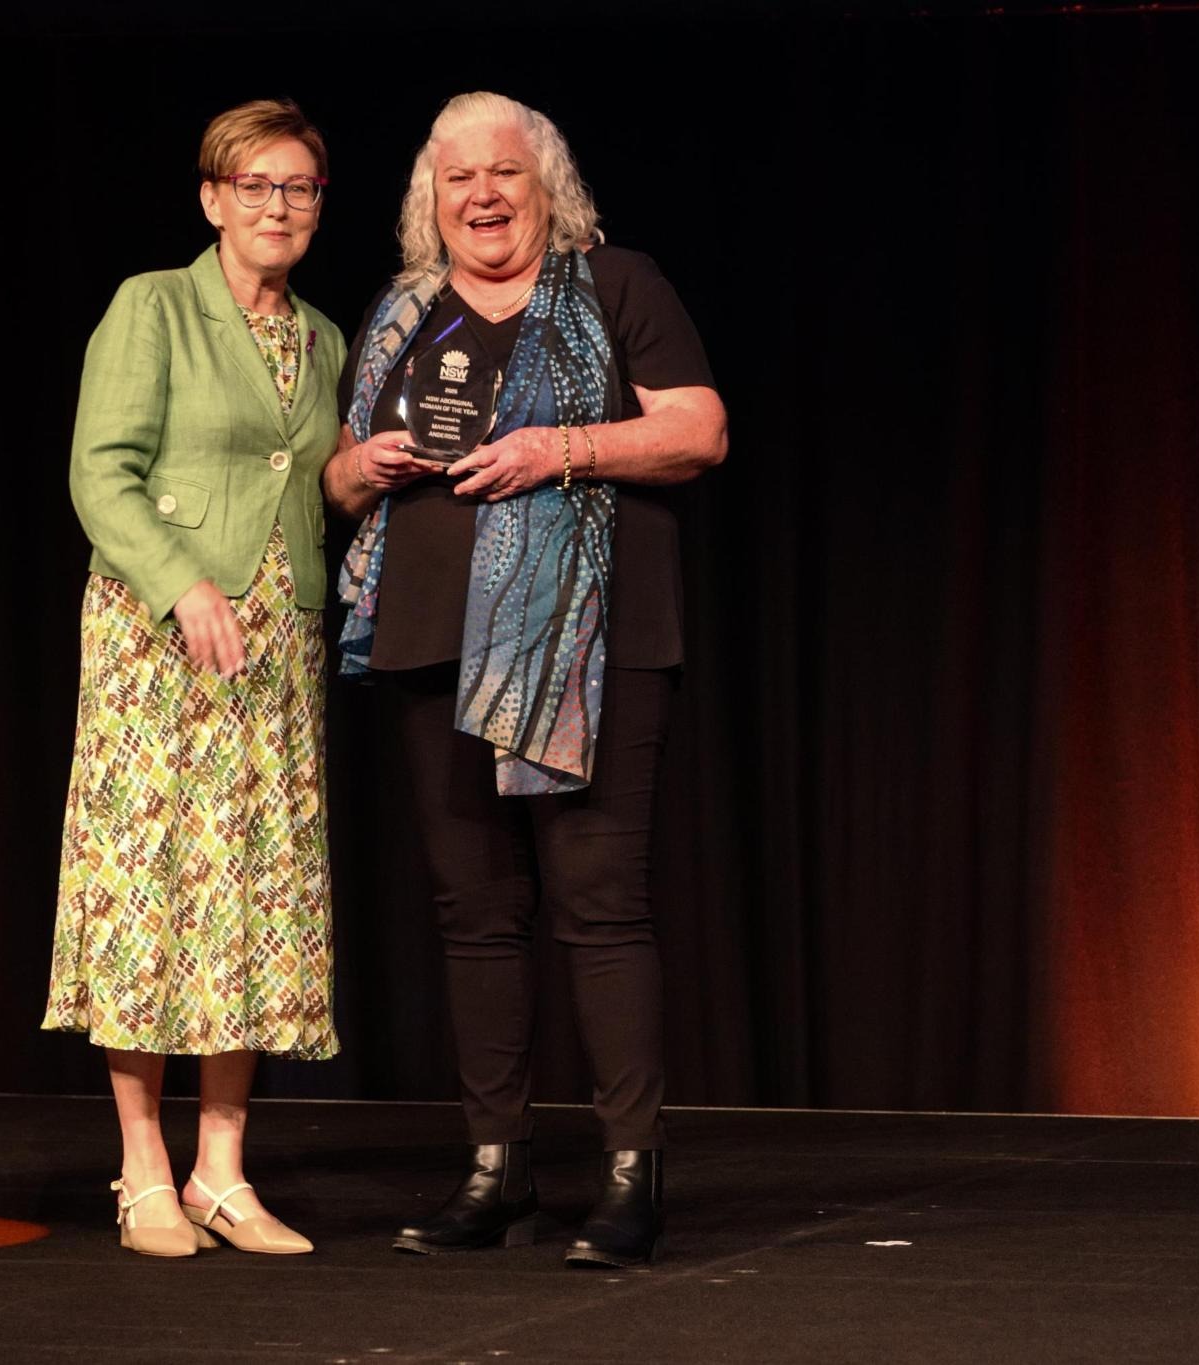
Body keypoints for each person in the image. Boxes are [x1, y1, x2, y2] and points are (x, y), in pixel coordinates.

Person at [324, 91, 727, 1267]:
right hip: (428, 646)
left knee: (599, 908)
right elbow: (339, 491)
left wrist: (563, 447)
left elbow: (699, 433)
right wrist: (360, 464)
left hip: (588, 647)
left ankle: (625, 1173)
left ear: (547, 186)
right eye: (457, 179)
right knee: (476, 919)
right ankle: (495, 1170)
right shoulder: (401, 314)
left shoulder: (616, 287)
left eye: (504, 172)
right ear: (428, 201)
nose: (482, 195)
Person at [43, 99, 346, 1259]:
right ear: (212, 198)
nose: (278, 206)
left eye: (301, 187)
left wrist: (359, 474)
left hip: (273, 650)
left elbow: (300, 482)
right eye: (255, 184)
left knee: (255, 901)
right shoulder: (153, 306)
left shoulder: (320, 335)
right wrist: (182, 585)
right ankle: (143, 1170)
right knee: (150, 890)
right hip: (159, 642)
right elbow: (99, 471)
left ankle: (223, 1170)